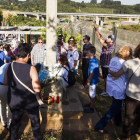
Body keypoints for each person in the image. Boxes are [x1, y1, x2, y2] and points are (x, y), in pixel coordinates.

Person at [6, 43, 41, 140]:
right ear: (28, 55)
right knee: (35, 123)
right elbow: (37, 88)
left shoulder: (10, 66)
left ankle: (12, 138)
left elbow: (5, 81)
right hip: (29, 102)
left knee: (15, 121)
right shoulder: (31, 68)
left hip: (14, 100)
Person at [95, 46, 132, 134]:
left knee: (118, 105)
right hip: (119, 87)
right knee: (115, 108)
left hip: (112, 85)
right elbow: (118, 74)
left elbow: (110, 70)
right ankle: (100, 125)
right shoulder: (126, 63)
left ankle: (118, 121)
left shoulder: (114, 59)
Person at [108, 44, 140, 140]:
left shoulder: (130, 63)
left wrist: (109, 71)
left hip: (132, 95)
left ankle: (125, 136)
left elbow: (117, 74)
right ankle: (136, 130)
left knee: (129, 116)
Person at [95, 27, 116, 96]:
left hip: (106, 65)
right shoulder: (107, 43)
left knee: (106, 79)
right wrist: (97, 32)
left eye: (109, 38)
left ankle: (107, 91)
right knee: (105, 78)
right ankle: (107, 90)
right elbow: (101, 39)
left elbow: (102, 42)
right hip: (104, 64)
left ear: (112, 41)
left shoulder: (111, 46)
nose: (107, 38)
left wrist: (98, 34)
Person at [84, 46, 100, 113]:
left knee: (92, 95)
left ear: (92, 53)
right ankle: (91, 103)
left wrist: (88, 83)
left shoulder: (93, 63)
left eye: (88, 53)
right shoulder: (92, 60)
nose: (86, 53)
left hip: (92, 81)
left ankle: (91, 108)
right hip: (93, 80)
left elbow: (91, 75)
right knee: (91, 94)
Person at [0, 63, 12, 130]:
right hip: (5, 86)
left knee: (2, 103)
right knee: (10, 104)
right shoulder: (13, 66)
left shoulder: (3, 65)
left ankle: (4, 122)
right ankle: (9, 124)